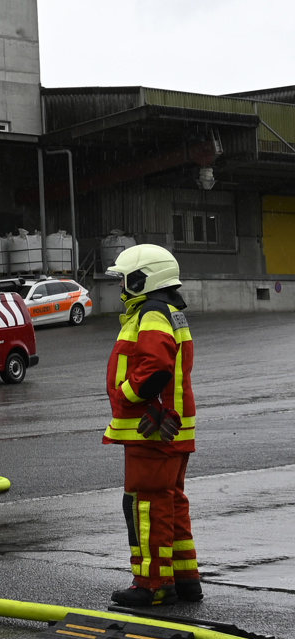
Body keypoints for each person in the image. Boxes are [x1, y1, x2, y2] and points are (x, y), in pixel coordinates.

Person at [103, 244, 199, 606]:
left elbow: (156, 367)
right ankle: (185, 579)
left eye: (124, 279)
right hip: (172, 429)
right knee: (170, 502)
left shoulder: (152, 313)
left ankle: (152, 584)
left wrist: (126, 395)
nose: (121, 286)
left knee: (144, 506)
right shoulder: (170, 311)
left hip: (151, 431)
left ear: (143, 279)